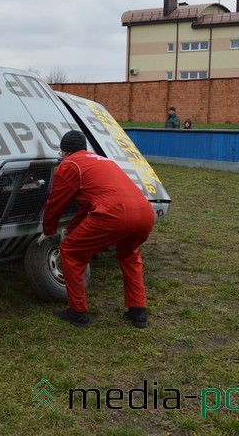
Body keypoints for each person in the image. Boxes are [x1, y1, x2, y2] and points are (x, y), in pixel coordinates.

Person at [39, 130, 155, 328]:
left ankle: (77, 311)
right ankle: (137, 312)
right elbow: (89, 203)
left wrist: (49, 231)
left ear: (65, 152)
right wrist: (71, 229)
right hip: (145, 212)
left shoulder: (69, 165)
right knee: (129, 255)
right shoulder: (104, 161)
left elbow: (55, 203)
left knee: (71, 253)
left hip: (114, 214)